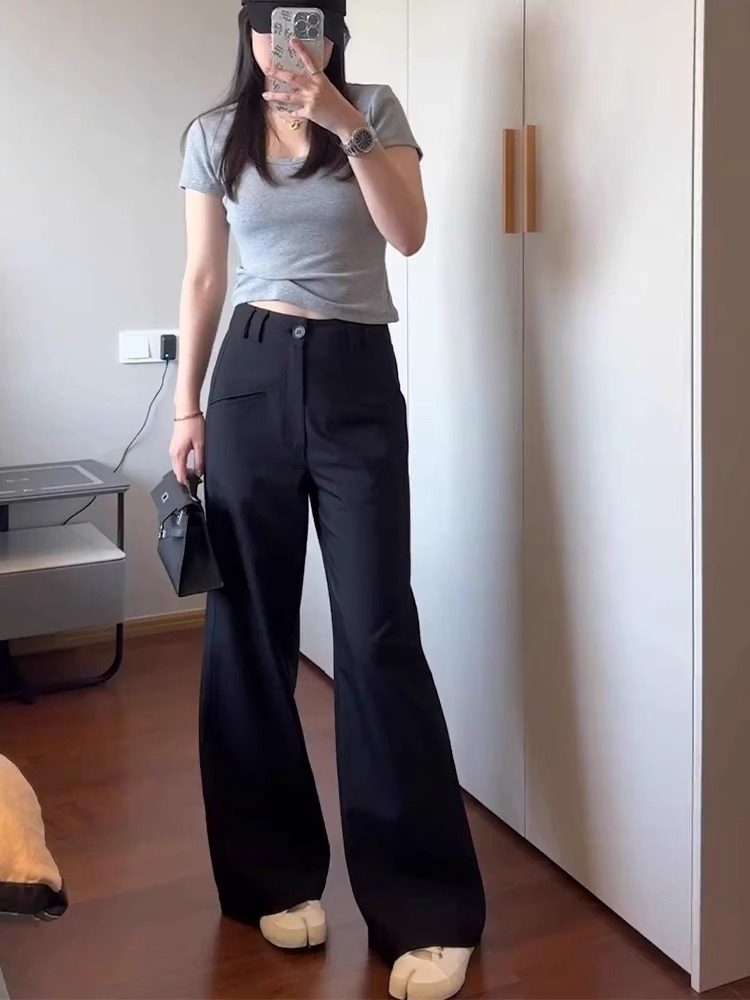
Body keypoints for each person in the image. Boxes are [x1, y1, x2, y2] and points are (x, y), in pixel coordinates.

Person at [171, 2, 486, 997]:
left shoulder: (375, 109)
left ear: (336, 33)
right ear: (248, 34)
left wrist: (344, 121)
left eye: (308, 24)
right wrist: (187, 407)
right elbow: (205, 275)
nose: (288, 45)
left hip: (355, 378)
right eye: (270, 27)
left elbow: (410, 235)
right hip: (252, 376)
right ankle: (270, 875)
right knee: (249, 628)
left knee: (378, 631)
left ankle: (426, 907)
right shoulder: (214, 134)